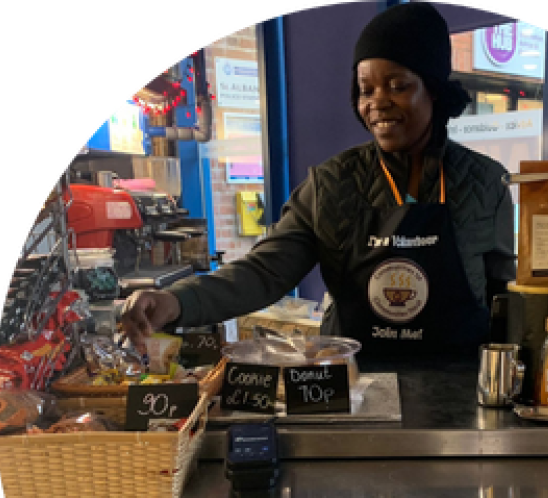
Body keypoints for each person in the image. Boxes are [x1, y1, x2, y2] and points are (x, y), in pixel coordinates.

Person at [121, 2, 516, 358]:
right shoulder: (332, 182)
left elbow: (508, 295)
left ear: (433, 90)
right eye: (366, 90)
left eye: (398, 86)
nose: (377, 102)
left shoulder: (483, 182)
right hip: (353, 387)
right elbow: (264, 271)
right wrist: (176, 302)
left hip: (458, 394)